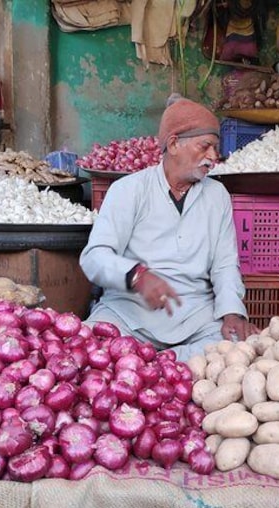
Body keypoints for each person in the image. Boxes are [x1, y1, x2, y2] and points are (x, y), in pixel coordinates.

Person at [79, 95, 259, 362]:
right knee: (84, 349)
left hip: (195, 318)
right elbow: (94, 257)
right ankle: (162, 366)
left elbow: (224, 264)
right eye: (205, 146)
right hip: (128, 315)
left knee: (236, 353)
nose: (213, 157)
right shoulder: (129, 190)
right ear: (174, 144)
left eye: (215, 148)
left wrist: (232, 312)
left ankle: (153, 366)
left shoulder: (217, 195)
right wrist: (137, 276)